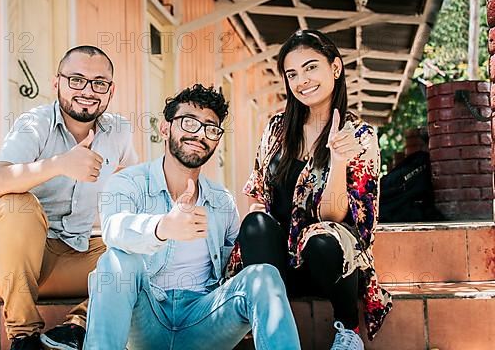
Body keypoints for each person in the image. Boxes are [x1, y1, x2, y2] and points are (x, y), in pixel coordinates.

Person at [84, 84, 301, 350]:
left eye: (211, 128)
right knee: (115, 261)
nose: (199, 134)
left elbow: (236, 266)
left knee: (264, 275)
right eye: (189, 123)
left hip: (205, 319)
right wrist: (163, 227)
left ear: (216, 140)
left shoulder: (221, 200)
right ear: (165, 129)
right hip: (146, 318)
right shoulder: (129, 183)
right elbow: (113, 229)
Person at [226, 30, 393, 350]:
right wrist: (257, 235)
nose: (302, 80)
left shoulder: (358, 135)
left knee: (322, 240)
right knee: (254, 223)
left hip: (330, 266)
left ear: (335, 67)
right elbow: (257, 192)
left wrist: (339, 161)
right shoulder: (277, 128)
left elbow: (341, 218)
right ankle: (270, 328)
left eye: (311, 67)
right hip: (278, 266)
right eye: (292, 73)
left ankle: (348, 332)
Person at [0, 45, 138, 350]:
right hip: (4, 260)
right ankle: (24, 336)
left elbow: (133, 185)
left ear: (110, 91)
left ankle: (75, 328)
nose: (87, 90)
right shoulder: (34, 123)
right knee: (15, 203)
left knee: (146, 250)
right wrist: (59, 164)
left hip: (69, 255)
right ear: (56, 82)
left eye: (98, 82)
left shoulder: (118, 131)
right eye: (76, 79)